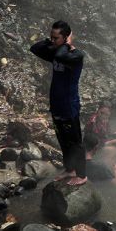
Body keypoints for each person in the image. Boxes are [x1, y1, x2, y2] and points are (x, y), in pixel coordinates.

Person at [30, 20, 87, 186]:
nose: (53, 41)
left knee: (75, 142)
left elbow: (62, 56)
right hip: (56, 105)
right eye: (51, 38)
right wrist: (51, 42)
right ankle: (70, 169)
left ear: (66, 38)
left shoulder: (76, 55)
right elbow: (35, 48)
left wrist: (66, 44)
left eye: (56, 38)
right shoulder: (56, 51)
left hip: (69, 106)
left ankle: (82, 175)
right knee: (62, 139)